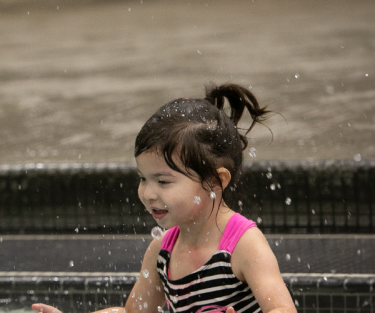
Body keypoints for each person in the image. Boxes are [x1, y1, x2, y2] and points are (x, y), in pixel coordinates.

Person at [33, 84, 296, 313]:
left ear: (215, 181)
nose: (147, 193)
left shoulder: (242, 244)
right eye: (142, 178)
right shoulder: (162, 251)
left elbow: (283, 308)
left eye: (163, 181)